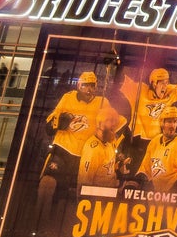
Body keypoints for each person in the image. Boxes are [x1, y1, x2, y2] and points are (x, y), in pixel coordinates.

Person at [38, 72, 124, 217]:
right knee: (47, 183)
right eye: (85, 85)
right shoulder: (68, 97)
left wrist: (116, 150)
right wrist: (59, 121)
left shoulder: (103, 102)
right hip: (63, 150)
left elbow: (111, 126)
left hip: (87, 154)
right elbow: (50, 123)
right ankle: (38, 220)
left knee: (75, 194)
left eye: (92, 85)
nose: (89, 89)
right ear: (79, 85)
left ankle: (63, 225)